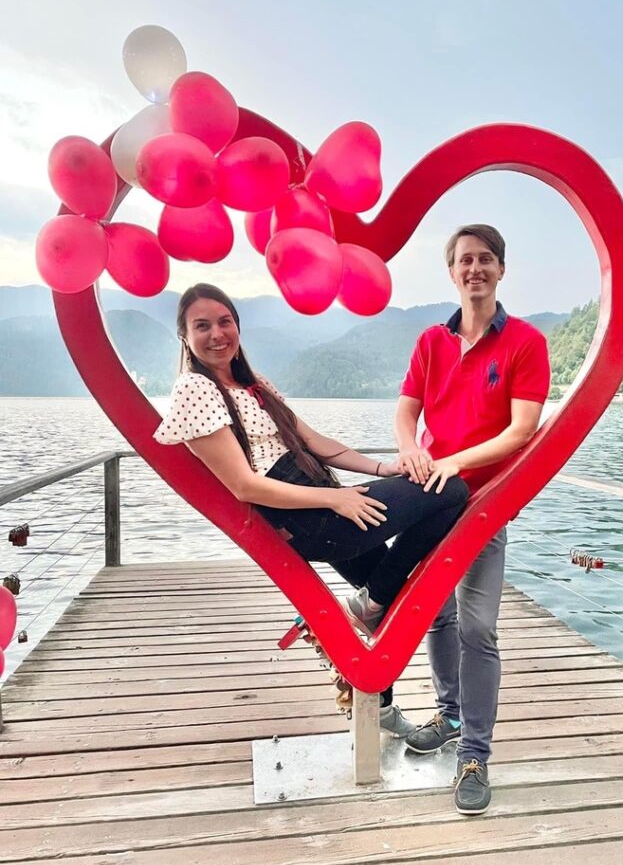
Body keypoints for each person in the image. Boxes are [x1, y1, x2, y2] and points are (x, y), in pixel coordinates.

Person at [154, 283, 469, 736]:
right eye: (202, 325)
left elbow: (315, 443)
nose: (217, 334)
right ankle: (368, 607)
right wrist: (334, 499)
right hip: (308, 518)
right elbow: (244, 485)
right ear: (184, 335)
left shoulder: (254, 386)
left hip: (325, 501)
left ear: (238, 327)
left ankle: (377, 702)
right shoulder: (194, 389)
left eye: (225, 322)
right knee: (451, 490)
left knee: (395, 587)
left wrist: (385, 466)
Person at [394, 225, 550, 814]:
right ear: (452, 271)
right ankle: (452, 713)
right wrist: (411, 449)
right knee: (435, 611)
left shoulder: (525, 343)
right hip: (431, 498)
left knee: (477, 627)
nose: (474, 268)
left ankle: (475, 755)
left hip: (485, 504)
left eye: (485, 259)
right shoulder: (432, 340)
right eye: (465, 260)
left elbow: (521, 431)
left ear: (501, 270)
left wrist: (451, 461)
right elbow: (407, 411)